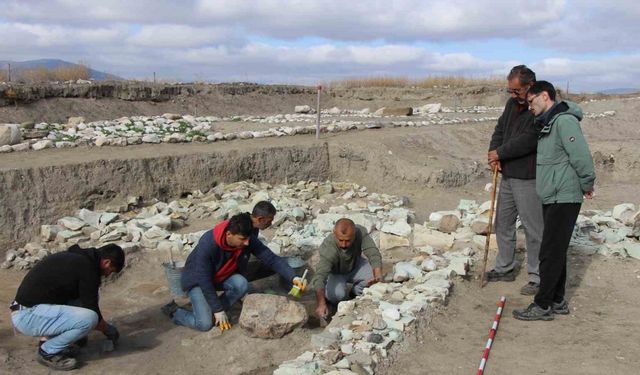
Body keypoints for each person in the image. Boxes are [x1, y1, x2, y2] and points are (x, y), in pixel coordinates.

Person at [513, 80, 595, 321]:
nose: (529, 106)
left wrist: (587, 183)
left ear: (545, 96)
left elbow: (580, 156)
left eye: (531, 101)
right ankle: (557, 300)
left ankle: (543, 304)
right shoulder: (550, 122)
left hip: (564, 195)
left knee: (549, 251)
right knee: (555, 249)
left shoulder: (564, 121)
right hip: (554, 194)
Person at [163, 212, 305, 332]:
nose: (247, 243)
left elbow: (271, 258)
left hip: (221, 277)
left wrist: (293, 277)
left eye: (248, 239)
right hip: (197, 281)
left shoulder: (246, 239)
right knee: (204, 324)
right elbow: (204, 279)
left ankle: (212, 309)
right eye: (242, 239)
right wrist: (218, 310)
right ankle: (175, 312)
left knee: (241, 283)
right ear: (229, 234)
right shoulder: (208, 244)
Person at [10, 244, 125, 371]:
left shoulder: (79, 258)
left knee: (89, 297)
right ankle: (48, 352)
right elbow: (94, 314)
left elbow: (86, 300)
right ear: (107, 262)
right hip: (28, 317)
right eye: (111, 270)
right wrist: (108, 330)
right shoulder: (88, 269)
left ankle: (50, 340)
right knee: (90, 318)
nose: (108, 275)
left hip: (29, 310)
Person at [486, 65, 544, 295]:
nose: (513, 95)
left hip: (528, 176)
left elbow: (529, 139)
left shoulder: (539, 107)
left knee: (533, 228)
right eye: (510, 90)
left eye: (517, 91)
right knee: (503, 223)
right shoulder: (512, 104)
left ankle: (538, 276)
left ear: (530, 86)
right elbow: (500, 130)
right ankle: (505, 267)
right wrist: (493, 153)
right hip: (508, 174)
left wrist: (502, 153)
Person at [312, 218, 383, 320]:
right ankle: (339, 302)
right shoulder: (329, 249)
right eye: (340, 240)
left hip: (355, 264)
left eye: (348, 240)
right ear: (334, 234)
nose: (344, 245)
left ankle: (355, 293)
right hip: (336, 273)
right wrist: (321, 303)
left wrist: (378, 276)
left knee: (373, 278)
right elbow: (319, 276)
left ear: (354, 235)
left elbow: (372, 252)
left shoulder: (360, 232)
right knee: (337, 295)